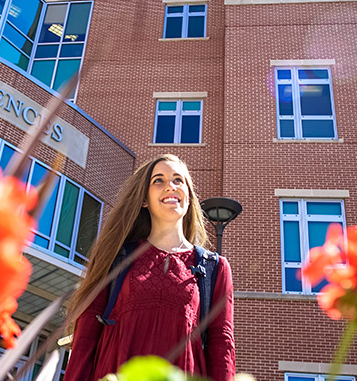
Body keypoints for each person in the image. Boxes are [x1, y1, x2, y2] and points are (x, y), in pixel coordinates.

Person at [64, 154, 235, 380]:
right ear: (144, 199)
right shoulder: (116, 257)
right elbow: (87, 332)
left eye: (178, 180)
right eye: (158, 181)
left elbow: (221, 343)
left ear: (190, 198)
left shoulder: (214, 268)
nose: (170, 187)